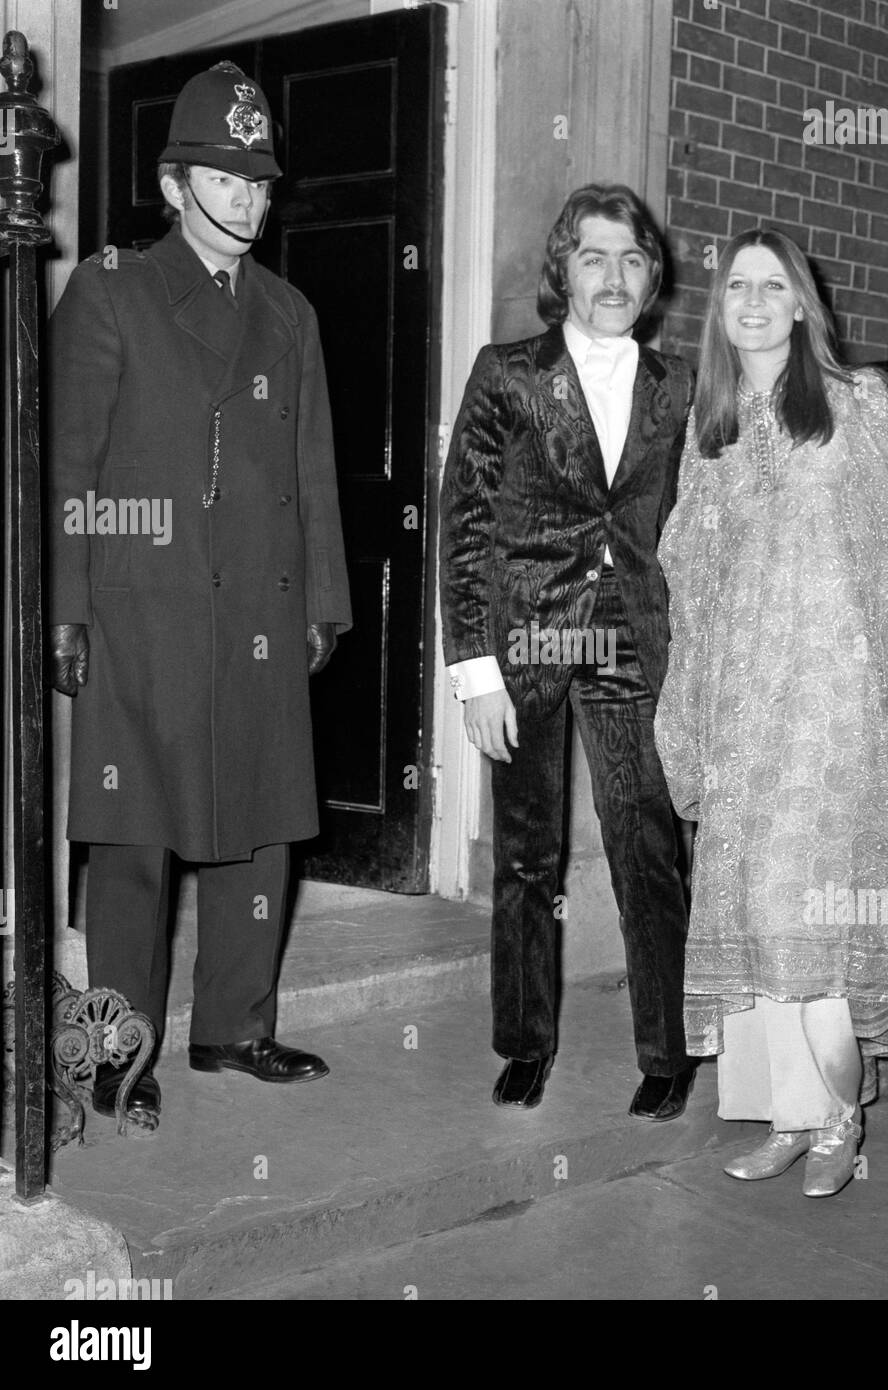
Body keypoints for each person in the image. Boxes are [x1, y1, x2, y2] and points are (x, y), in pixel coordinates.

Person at [654, 229, 888, 1194]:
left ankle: (839, 1128)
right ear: (721, 308)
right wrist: (690, 702)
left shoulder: (856, 408)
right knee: (758, 919)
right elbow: (687, 575)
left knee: (811, 933)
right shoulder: (710, 427)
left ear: (802, 304)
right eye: (737, 285)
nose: (753, 300)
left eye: (773, 285)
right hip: (745, 708)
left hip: (831, 706)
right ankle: (788, 1119)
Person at [47, 62, 352, 1133]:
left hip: (260, 609)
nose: (245, 199)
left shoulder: (291, 312)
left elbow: (311, 467)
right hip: (147, 600)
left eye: (259, 181)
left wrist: (323, 597)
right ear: (176, 183)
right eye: (223, 178)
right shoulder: (112, 288)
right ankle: (112, 1058)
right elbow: (70, 466)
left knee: (262, 823)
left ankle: (235, 1025)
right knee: (134, 841)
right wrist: (66, 608)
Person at [440, 184, 697, 1118]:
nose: (614, 276)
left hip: (632, 637)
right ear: (564, 270)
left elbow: (695, 526)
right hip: (525, 641)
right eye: (594, 257)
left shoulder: (678, 389)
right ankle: (524, 1041)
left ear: (650, 276)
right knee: (524, 857)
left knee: (647, 843)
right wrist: (474, 672)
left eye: (631, 259)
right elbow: (462, 524)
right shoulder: (506, 373)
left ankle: (667, 1050)